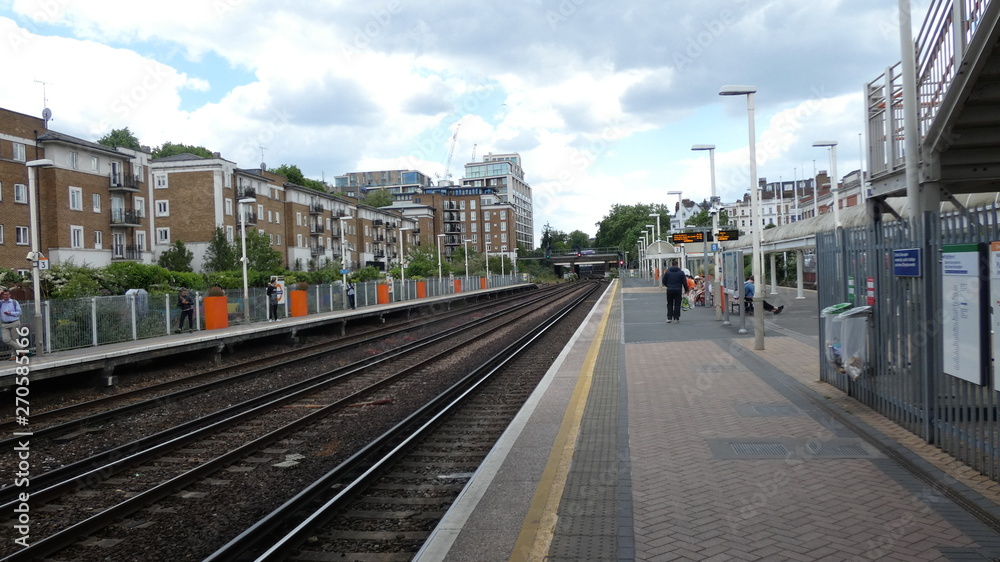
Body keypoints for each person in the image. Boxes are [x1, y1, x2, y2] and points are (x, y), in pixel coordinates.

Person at [0, 289, 26, 360]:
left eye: (7, 294)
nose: (5, 296)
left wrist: (10, 313)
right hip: (5, 324)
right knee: (6, 339)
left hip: (14, 322)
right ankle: (21, 349)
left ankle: (13, 355)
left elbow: (19, 312)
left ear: (9, 295)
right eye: (4, 294)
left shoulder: (14, 302)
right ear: (2, 295)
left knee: (15, 340)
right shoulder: (1, 303)